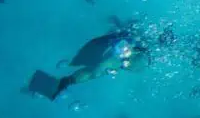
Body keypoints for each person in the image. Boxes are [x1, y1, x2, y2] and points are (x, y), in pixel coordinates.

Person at [24, 27, 162, 100]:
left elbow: (93, 73)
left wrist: (67, 81)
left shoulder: (134, 47)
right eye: (129, 67)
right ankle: (41, 82)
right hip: (99, 47)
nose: (128, 68)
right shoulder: (117, 58)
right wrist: (66, 82)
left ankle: (41, 83)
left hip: (104, 45)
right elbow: (94, 72)